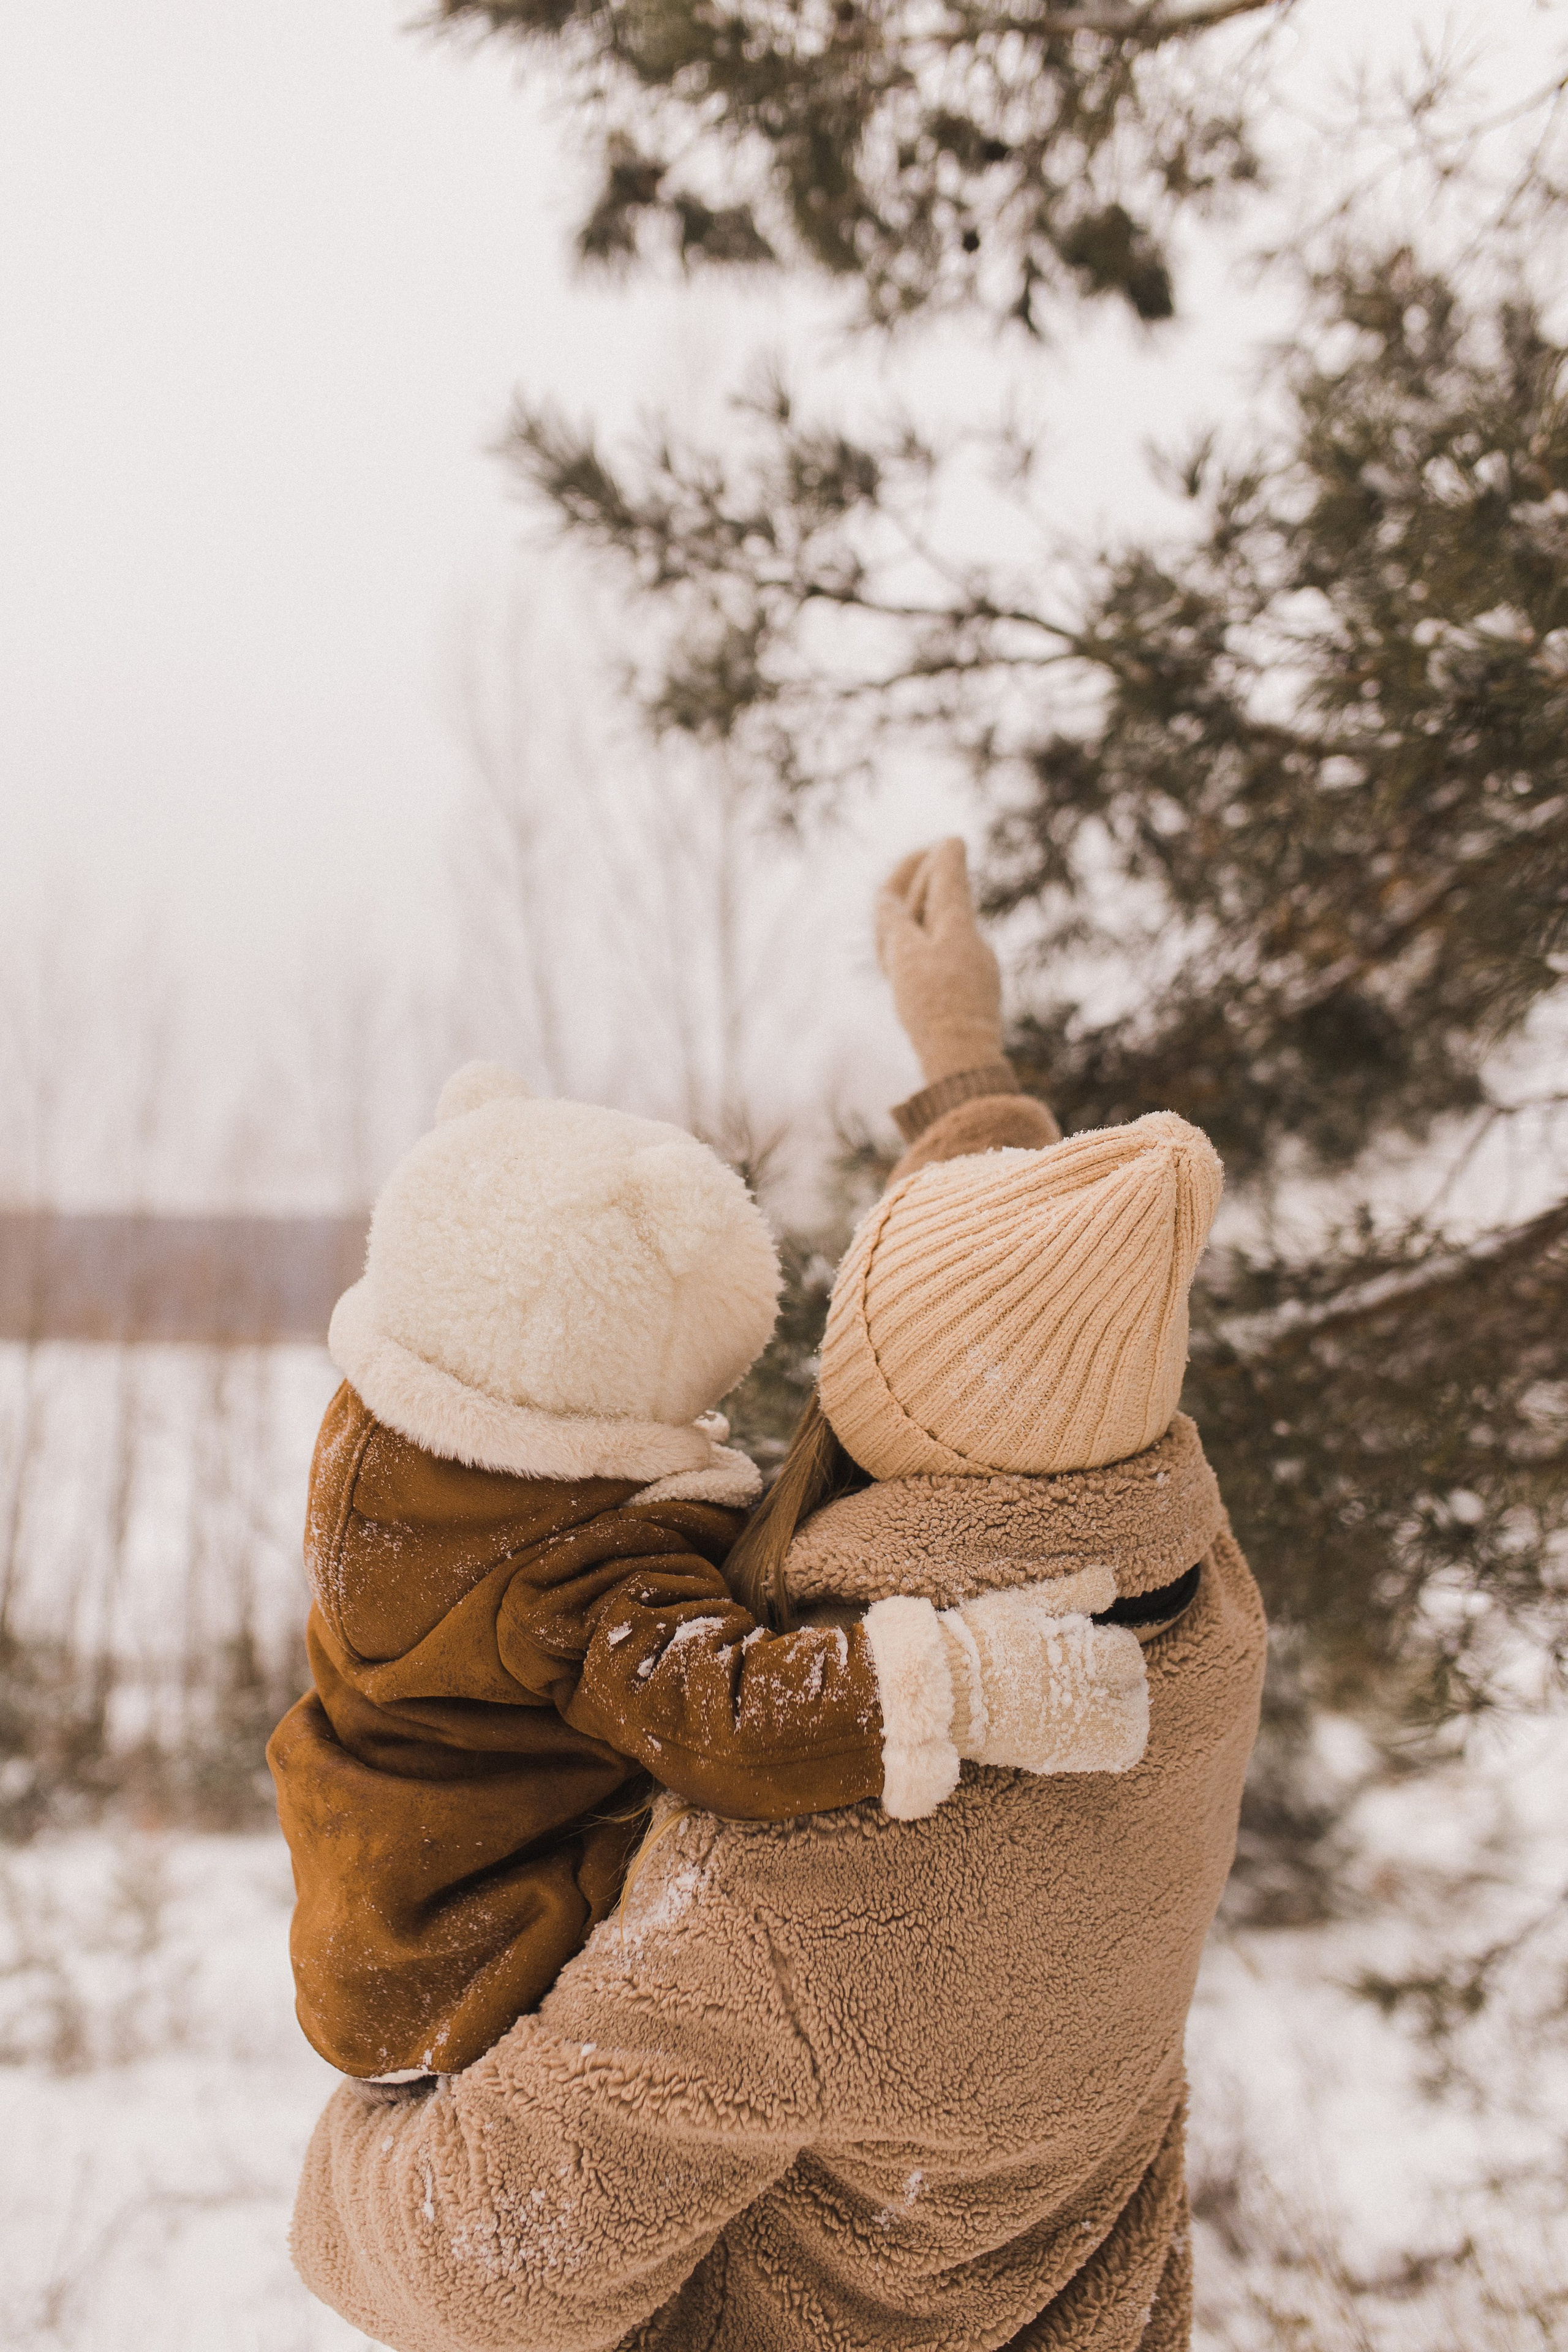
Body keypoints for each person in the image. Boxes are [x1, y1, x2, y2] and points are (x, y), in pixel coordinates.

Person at [290, 840, 1267, 2350]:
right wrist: (966, 1067)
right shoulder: (1198, 1616)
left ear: (877, 1421)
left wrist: (356, 2139)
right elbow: (1023, 1334)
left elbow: (488, 2263)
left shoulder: (791, 1896)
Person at [269, 1042, 1147, 2082]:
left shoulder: (401, 1451)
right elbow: (728, 1718)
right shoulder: (573, 1568)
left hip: (378, 1935)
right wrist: (964, 1679)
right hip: (488, 1950)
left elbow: (922, 1311)